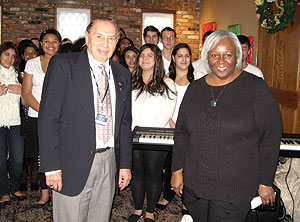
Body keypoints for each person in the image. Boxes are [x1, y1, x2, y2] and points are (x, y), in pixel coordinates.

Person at [171, 30, 282, 222]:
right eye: (215, 55)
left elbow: (270, 138)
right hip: (196, 188)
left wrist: (265, 181)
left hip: (234, 191)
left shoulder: (255, 88)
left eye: (227, 55)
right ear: (207, 56)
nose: (221, 61)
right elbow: (182, 133)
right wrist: (176, 171)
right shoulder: (195, 88)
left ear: (237, 56)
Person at [38, 18, 132, 222]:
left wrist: (125, 164)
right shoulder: (63, 65)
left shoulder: (122, 74)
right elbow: (48, 119)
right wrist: (52, 167)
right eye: (99, 37)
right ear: (87, 38)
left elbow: (124, 123)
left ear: (117, 43)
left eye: (111, 39)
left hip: (108, 162)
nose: (105, 44)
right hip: (71, 161)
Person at [129, 43, 176, 222]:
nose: (145, 59)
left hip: (156, 137)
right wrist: (134, 131)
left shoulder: (167, 83)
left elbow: (168, 112)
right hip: (133, 136)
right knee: (137, 173)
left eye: (150, 55)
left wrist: (148, 132)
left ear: (157, 59)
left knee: (153, 174)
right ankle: (138, 208)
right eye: (142, 55)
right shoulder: (131, 81)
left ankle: (150, 212)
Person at [22, 29, 61, 208]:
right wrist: (44, 112)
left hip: (61, 119)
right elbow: (27, 93)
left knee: (60, 155)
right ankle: (45, 193)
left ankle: (59, 192)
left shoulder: (65, 62)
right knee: (40, 156)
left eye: (54, 41)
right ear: (40, 43)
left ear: (59, 44)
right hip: (37, 117)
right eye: (47, 41)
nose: (50, 45)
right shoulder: (32, 64)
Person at [156, 43, 194, 220]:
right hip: (170, 128)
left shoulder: (198, 81)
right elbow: (162, 106)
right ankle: (168, 195)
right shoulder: (165, 81)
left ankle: (188, 200)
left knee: (191, 167)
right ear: (173, 58)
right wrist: (172, 124)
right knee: (170, 164)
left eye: (187, 56)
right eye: (180, 56)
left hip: (191, 131)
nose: (184, 59)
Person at [0, 42, 26, 206]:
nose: (10, 58)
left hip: (16, 122)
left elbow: (26, 102)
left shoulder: (20, 75)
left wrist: (22, 90)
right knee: (1, 159)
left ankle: (15, 187)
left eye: (13, 56)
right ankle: (3, 192)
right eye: (6, 54)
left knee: (17, 158)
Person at [17, 40, 40, 192]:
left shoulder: (38, 70)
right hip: (19, 113)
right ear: (23, 56)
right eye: (27, 53)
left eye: (33, 53)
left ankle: (35, 176)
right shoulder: (17, 73)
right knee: (22, 147)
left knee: (34, 146)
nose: (30, 56)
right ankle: (23, 176)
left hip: (33, 111)